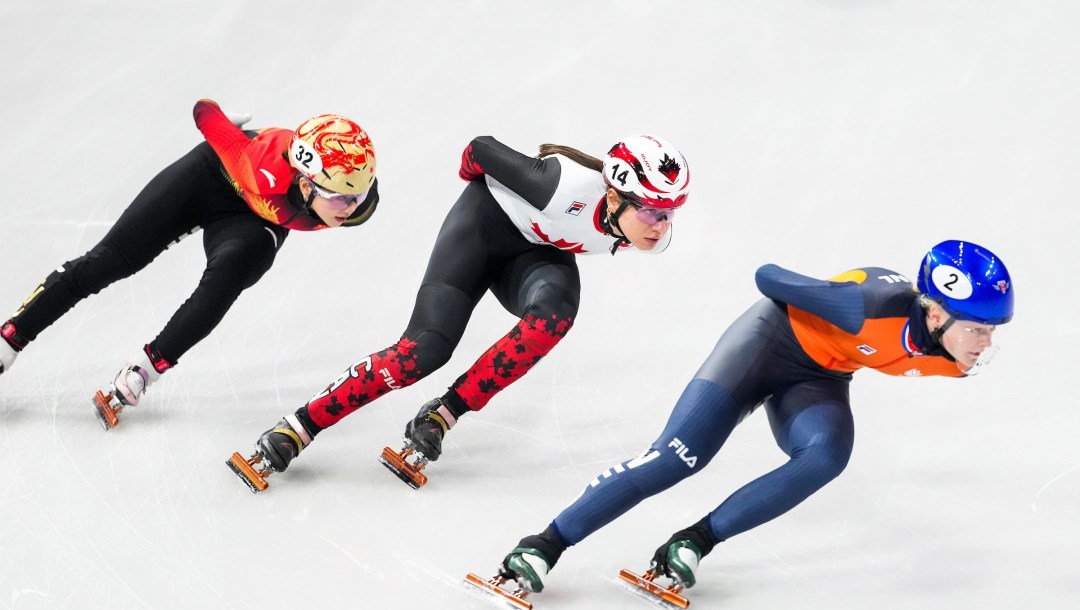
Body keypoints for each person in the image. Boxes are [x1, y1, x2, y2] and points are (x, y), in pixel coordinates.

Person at [486, 240, 1014, 601]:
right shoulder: (867, 306)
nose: (986, 345)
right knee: (677, 458)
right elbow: (769, 278)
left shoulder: (951, 356)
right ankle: (543, 545)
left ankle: (690, 542)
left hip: (819, 378)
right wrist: (828, 300)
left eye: (992, 331)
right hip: (764, 345)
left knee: (827, 455)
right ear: (937, 313)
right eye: (979, 330)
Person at [229, 134, 690, 492]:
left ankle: (440, 415)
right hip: (481, 230)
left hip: (534, 254)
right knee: (423, 352)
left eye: (670, 213)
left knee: (554, 318)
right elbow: (479, 149)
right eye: (652, 212)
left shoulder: (649, 230)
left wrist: (647, 217)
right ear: (613, 198)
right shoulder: (560, 185)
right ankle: (300, 426)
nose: (661, 226)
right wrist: (478, 185)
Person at [0, 99, 379, 429]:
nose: (353, 208)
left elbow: (355, 193)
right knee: (111, 261)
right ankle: (8, 341)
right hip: (210, 178)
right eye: (343, 200)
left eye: (359, 196)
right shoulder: (255, 163)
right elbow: (203, 111)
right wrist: (222, 123)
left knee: (232, 274)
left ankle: (145, 369)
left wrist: (352, 196)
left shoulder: (355, 190)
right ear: (307, 183)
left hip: (253, 221)